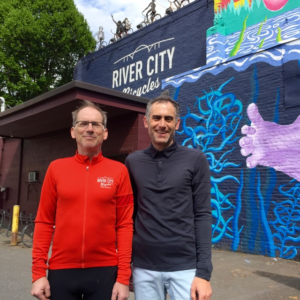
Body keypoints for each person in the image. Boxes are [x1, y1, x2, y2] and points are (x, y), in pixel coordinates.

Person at [31, 100, 133, 300]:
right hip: (61, 271)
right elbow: (44, 221)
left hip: (105, 272)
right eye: (83, 123)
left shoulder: (119, 171)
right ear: (73, 131)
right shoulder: (56, 169)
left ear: (105, 133)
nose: (89, 129)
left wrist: (123, 277)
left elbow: (125, 225)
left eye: (96, 124)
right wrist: (38, 274)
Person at [125, 92, 213, 300]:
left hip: (185, 266)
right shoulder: (133, 161)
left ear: (177, 124)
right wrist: (126, 262)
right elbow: (129, 214)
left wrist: (204, 272)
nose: (162, 124)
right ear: (146, 122)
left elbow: (202, 215)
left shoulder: (196, 159)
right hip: (144, 266)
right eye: (156, 118)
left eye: (168, 119)